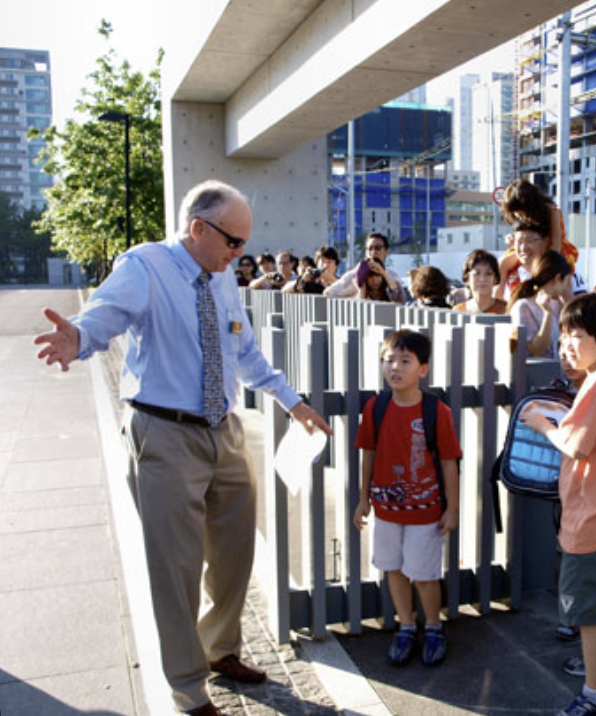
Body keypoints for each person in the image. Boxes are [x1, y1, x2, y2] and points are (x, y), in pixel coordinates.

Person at [33, 180, 332, 716]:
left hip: (225, 429)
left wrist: (292, 402)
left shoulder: (221, 278)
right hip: (165, 433)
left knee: (235, 554)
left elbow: (244, 351)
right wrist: (77, 337)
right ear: (198, 228)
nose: (240, 254)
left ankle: (221, 650)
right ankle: (188, 689)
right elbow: (104, 315)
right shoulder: (145, 265)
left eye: (243, 243)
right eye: (233, 241)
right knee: (176, 568)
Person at [520, 293, 596, 716]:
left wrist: (542, 424)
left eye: (577, 336)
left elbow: (577, 446)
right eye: (564, 335)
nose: (567, 345)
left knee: (585, 611)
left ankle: (595, 695)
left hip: (590, 514)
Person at [352, 330, 461, 667]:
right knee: (393, 570)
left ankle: (433, 627)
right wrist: (363, 499)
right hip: (385, 509)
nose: (395, 368)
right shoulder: (376, 406)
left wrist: (452, 508)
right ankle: (406, 625)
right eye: (389, 360)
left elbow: (448, 462)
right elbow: (367, 453)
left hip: (426, 512)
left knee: (425, 574)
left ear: (423, 369)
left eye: (404, 361)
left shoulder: (436, 411)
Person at [498, 178, 578, 298]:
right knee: (504, 263)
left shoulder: (551, 210)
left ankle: (568, 302)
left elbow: (557, 241)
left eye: (519, 211)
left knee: (560, 277)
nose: (518, 215)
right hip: (532, 248)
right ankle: (497, 299)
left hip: (553, 250)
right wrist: (512, 239)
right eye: (515, 212)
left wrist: (548, 264)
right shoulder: (520, 216)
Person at [508, 250, 574, 359]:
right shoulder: (523, 307)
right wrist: (547, 314)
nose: (567, 286)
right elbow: (536, 352)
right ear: (557, 279)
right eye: (566, 282)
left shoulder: (557, 304)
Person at [324, 232, 406, 302]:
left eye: (377, 248)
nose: (373, 252)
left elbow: (400, 299)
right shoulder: (354, 274)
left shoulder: (391, 275)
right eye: (370, 248)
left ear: (386, 251)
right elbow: (329, 293)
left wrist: (383, 273)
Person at [453, 249, 506, 314]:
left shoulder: (506, 310)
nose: (482, 279)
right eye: (477, 274)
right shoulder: (458, 311)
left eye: (488, 274)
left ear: (495, 279)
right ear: (467, 278)